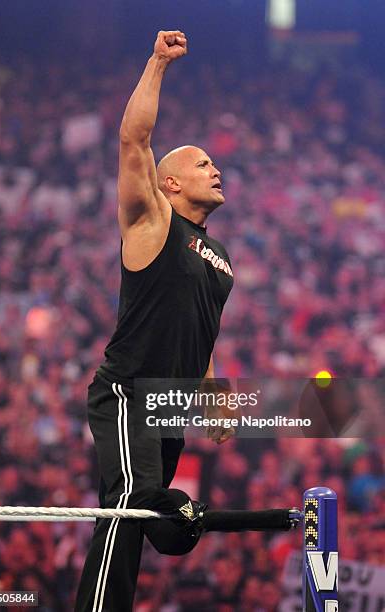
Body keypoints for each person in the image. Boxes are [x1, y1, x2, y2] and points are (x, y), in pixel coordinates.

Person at [75, 31, 295, 612]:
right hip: (127, 391)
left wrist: (213, 394)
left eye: (215, 162)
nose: (215, 168)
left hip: (168, 402)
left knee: (151, 521)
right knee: (131, 502)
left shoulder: (219, 258)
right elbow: (133, 139)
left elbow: (199, 334)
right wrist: (157, 64)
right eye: (202, 162)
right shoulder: (152, 221)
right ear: (170, 183)